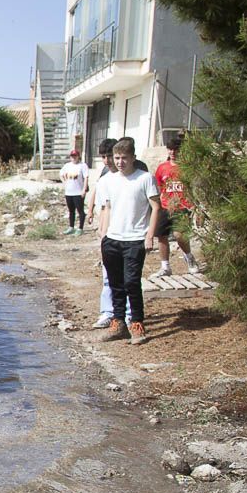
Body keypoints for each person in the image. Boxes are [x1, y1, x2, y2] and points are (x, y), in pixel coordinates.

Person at [97, 137, 160, 345]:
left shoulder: (145, 178)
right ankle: (118, 323)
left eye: (124, 158)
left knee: (131, 282)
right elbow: (107, 208)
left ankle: (137, 323)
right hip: (112, 239)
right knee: (115, 284)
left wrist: (150, 235)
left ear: (133, 157)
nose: (120, 162)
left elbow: (156, 207)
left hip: (135, 239)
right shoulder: (108, 180)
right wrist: (104, 236)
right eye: (117, 158)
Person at [85, 138, 131, 329]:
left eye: (109, 156)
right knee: (107, 276)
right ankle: (107, 312)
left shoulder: (132, 177)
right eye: (103, 157)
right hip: (109, 233)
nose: (107, 161)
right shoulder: (105, 178)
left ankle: (128, 313)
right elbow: (104, 207)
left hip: (127, 234)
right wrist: (102, 232)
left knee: (127, 277)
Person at [152, 135, 201, 276]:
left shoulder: (186, 168)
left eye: (176, 149)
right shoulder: (162, 168)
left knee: (180, 235)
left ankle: (189, 257)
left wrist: (195, 207)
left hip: (182, 206)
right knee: (161, 236)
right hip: (165, 207)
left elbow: (193, 188)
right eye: (170, 149)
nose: (172, 152)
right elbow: (158, 187)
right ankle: (165, 266)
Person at [58, 149, 89, 235]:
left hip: (78, 192)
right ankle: (71, 227)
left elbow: (86, 177)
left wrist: (84, 189)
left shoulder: (83, 165)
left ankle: (80, 228)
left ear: (78, 156)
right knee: (71, 210)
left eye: (75, 156)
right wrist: (64, 182)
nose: (74, 158)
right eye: (72, 156)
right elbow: (61, 173)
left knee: (80, 210)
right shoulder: (67, 165)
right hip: (69, 192)